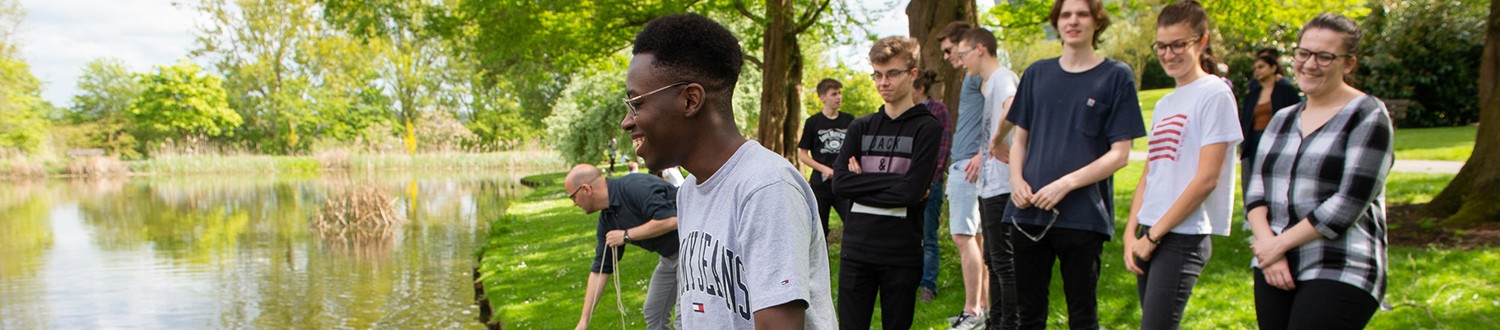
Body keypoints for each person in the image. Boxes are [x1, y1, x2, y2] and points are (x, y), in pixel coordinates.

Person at [619, 13, 835, 329]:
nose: (627, 120)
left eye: (636, 102)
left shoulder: (765, 188)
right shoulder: (690, 192)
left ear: (690, 100)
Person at [1003, 0, 1146, 328]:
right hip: (1027, 213)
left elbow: (1120, 153)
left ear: (1097, 22)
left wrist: (1065, 184)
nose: (1073, 21)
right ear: (1057, 22)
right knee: (1028, 316)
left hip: (1082, 217)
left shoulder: (1115, 76)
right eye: (1066, 14)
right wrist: (1015, 180)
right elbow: (1019, 139)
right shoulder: (1037, 73)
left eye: (1082, 14)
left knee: (1082, 316)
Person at [1246, 13, 1392, 330]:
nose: (1310, 64)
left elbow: (1348, 203)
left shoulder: (1367, 114)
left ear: (1349, 64)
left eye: (1325, 56)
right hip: (1275, 263)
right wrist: (1268, 247)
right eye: (1304, 53)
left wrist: (1276, 246)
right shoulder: (1282, 118)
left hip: (1340, 263)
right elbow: (1256, 192)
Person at [1121, 2, 1242, 329]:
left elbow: (1207, 179)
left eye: (1178, 44)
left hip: (1182, 236)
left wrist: (1153, 237)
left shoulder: (1215, 94)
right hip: (1151, 229)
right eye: (1161, 46)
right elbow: (1151, 171)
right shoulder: (1164, 103)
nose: (1168, 54)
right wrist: (1131, 232)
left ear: (1201, 42)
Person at [830, 36, 944, 330]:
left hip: (901, 254)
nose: (883, 82)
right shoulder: (861, 127)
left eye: (892, 73)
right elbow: (840, 185)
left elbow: (911, 192)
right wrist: (895, 182)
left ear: (913, 74)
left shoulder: (928, 128)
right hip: (857, 250)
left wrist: (863, 181)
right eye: (877, 75)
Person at [563, 164, 681, 330]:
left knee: (685, 319)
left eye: (573, 197)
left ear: (586, 189)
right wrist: (584, 321)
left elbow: (672, 219)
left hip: (693, 249)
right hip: (669, 258)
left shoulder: (634, 187)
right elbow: (601, 269)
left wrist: (626, 235)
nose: (575, 203)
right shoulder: (608, 220)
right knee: (654, 311)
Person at [958, 27, 1020, 330]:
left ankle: (1009, 323)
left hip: (1003, 185)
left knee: (1004, 263)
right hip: (988, 187)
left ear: (980, 48)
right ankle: (997, 321)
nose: (960, 61)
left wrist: (996, 141)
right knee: (994, 262)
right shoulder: (988, 84)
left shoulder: (1002, 78)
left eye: (963, 54)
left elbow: (1014, 107)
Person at [936, 20, 990, 327]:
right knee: (978, 240)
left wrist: (983, 152)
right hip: (970, 165)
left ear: (964, 43)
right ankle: (983, 308)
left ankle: (971, 313)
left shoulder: (978, 75)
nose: (946, 57)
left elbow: (1005, 107)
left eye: (948, 50)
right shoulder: (972, 78)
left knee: (963, 236)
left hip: (968, 167)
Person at [912, 68, 953, 305]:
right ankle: (909, 280)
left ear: (919, 88)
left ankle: (928, 285)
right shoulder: (908, 111)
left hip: (931, 185)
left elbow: (943, 148)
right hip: (908, 185)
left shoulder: (939, 111)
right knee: (908, 235)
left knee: (928, 237)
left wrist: (930, 182)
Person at [1238, 50, 1300, 195]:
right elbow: (1246, 120)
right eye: (1256, 68)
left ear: (1273, 68)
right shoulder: (1252, 95)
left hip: (1277, 140)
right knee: (1255, 179)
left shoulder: (1286, 91)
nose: (1257, 71)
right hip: (1254, 141)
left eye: (1261, 67)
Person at [798, 78, 854, 237]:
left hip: (843, 182)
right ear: (823, 97)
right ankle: (822, 262)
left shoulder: (849, 121)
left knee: (852, 224)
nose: (839, 97)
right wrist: (824, 169)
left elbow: (856, 151)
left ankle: (849, 259)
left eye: (840, 93)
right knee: (820, 230)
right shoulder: (813, 122)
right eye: (834, 94)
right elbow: (803, 155)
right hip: (820, 185)